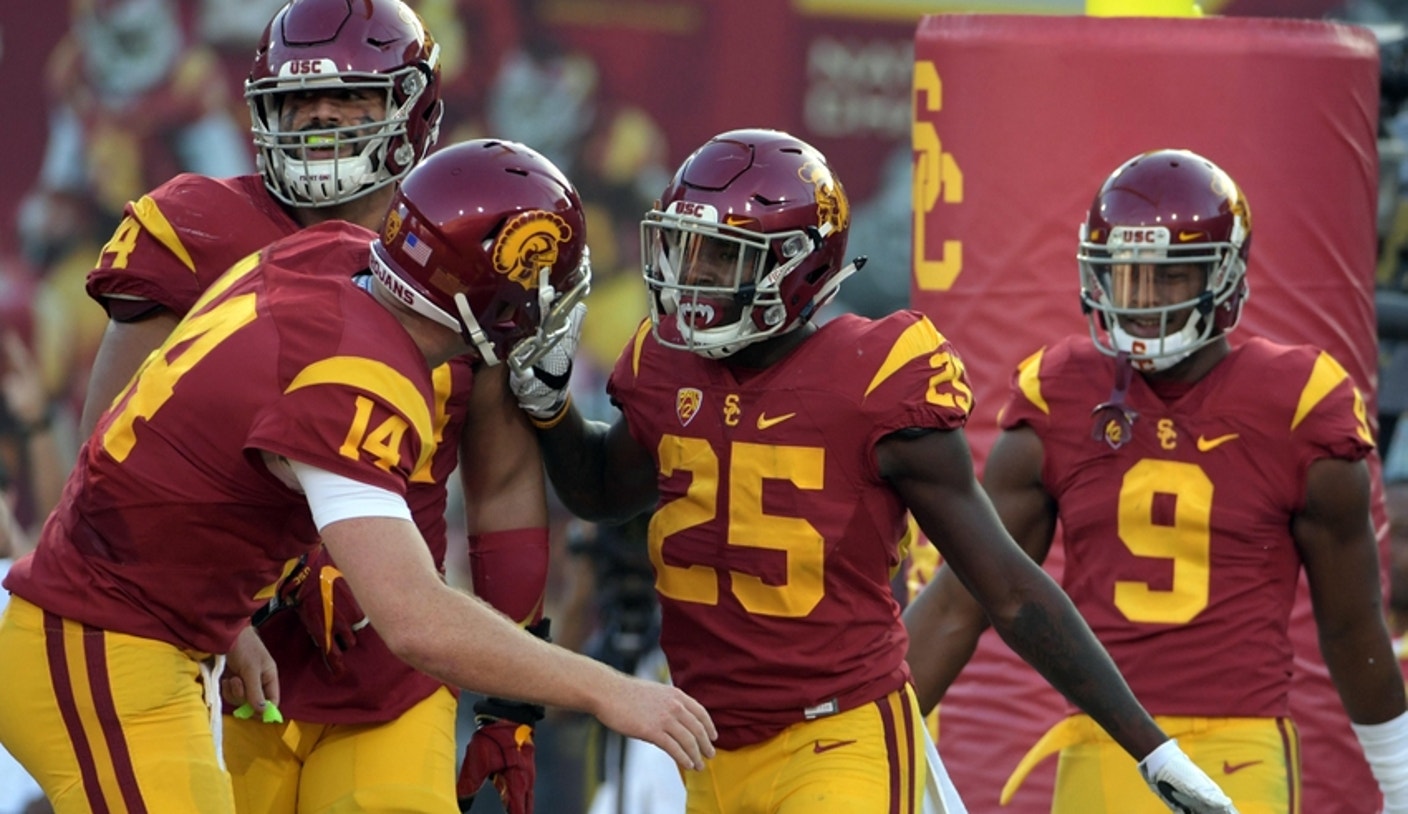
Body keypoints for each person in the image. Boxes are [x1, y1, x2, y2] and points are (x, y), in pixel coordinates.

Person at [507, 127, 1235, 813]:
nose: (694, 280)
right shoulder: (664, 363)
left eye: (723, 258)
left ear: (803, 264)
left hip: (836, 738)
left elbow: (1008, 590)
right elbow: (605, 492)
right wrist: (550, 409)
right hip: (704, 744)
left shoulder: (875, 378)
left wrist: (1153, 751)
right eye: (687, 251)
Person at [0, 137, 716, 814]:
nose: (552, 309)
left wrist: (220, 615)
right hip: (101, 641)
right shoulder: (360, 381)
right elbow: (414, 619)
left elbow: (180, 446)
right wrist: (607, 692)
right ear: (490, 301)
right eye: (543, 285)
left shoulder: (331, 253)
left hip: (158, 635)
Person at [78, 2, 557, 811]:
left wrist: (513, 706)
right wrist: (218, 621)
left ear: (414, 108)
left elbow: (504, 489)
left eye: (355, 97)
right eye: (298, 100)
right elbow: (106, 454)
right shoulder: (198, 227)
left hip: (390, 677)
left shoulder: (477, 247)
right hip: (209, 656)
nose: (323, 115)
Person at [903, 148, 1408, 813]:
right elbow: (966, 596)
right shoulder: (1059, 394)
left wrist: (1399, 780)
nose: (1142, 303)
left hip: (1239, 745)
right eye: (1126, 276)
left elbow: (1351, 627)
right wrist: (865, 730)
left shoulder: (1301, 405)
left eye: (1168, 279)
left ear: (1225, 276)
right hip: (1104, 739)